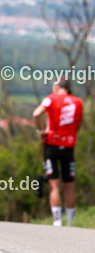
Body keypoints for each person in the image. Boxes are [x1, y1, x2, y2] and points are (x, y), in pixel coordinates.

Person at [33, 77, 83, 226]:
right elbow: (78, 124)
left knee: (54, 184)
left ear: (56, 86)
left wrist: (41, 130)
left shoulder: (51, 98)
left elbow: (36, 114)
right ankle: (71, 222)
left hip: (51, 144)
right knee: (69, 184)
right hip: (69, 145)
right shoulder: (78, 102)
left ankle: (57, 220)